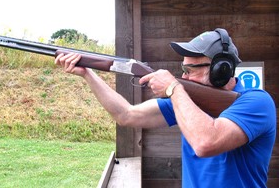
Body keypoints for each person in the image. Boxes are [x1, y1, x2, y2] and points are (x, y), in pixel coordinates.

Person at [55, 28, 276, 188]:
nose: (183, 76)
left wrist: (173, 88)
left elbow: (206, 142)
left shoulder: (257, 102)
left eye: (190, 69)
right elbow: (126, 115)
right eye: (182, 69)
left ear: (222, 69)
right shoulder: (186, 101)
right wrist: (87, 73)